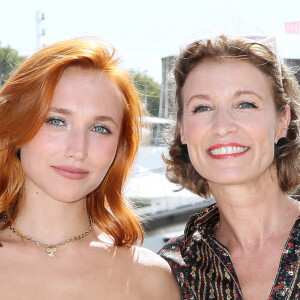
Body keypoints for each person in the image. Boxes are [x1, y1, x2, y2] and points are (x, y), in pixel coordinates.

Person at [0, 38, 181, 299]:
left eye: (100, 129)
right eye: (56, 121)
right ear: (17, 130)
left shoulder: (148, 278)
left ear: (119, 149)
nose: (78, 149)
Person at [158, 35, 300, 300]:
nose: (222, 125)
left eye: (245, 104)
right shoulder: (169, 272)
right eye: (202, 108)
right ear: (183, 131)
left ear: (283, 120)